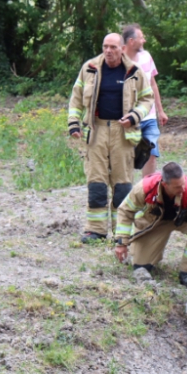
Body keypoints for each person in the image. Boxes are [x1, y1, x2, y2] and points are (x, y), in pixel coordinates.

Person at [68, 33, 154, 243]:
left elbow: (147, 98)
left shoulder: (134, 71)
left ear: (122, 48)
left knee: (122, 183)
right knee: (96, 181)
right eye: (105, 46)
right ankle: (95, 230)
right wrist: (74, 124)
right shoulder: (90, 68)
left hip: (122, 133)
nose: (108, 51)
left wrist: (134, 116)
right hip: (95, 130)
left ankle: (122, 231)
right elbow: (76, 98)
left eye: (113, 47)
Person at [122, 24, 168, 177]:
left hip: (149, 117)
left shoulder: (147, 56)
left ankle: (146, 192)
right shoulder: (118, 61)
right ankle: (124, 193)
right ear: (131, 41)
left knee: (151, 155)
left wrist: (160, 111)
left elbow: (153, 84)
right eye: (141, 37)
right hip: (128, 119)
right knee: (126, 158)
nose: (144, 40)